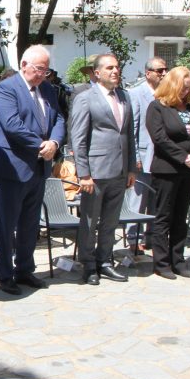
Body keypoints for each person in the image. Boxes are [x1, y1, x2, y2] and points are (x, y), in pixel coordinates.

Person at [0, 45, 65, 295]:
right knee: (7, 224)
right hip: (14, 166)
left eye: (46, 70)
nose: (43, 74)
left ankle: (25, 269)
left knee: (30, 223)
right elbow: (12, 124)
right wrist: (41, 145)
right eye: (39, 69)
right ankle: (4, 274)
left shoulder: (47, 89)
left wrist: (54, 143)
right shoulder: (7, 88)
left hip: (39, 166)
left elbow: (59, 119)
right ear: (24, 65)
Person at [70, 53, 135, 285]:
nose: (115, 71)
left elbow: (129, 135)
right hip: (95, 172)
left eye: (117, 67)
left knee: (110, 221)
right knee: (90, 221)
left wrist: (130, 168)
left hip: (119, 170)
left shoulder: (124, 96)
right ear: (97, 73)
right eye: (109, 68)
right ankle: (88, 265)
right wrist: (84, 173)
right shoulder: (85, 98)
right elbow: (78, 138)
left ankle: (105, 261)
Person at [145, 66, 190, 279]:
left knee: (181, 216)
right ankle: (161, 263)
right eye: (182, 87)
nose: (185, 91)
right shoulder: (158, 107)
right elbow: (159, 138)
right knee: (164, 216)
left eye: (188, 87)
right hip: (167, 169)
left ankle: (178, 260)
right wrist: (183, 157)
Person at [127, 57, 167, 250]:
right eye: (159, 70)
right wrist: (135, 157)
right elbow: (132, 128)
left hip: (162, 159)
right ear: (148, 73)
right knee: (138, 201)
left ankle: (151, 239)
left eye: (165, 70)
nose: (164, 74)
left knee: (155, 202)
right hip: (143, 157)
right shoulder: (135, 94)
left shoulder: (166, 94)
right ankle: (133, 239)